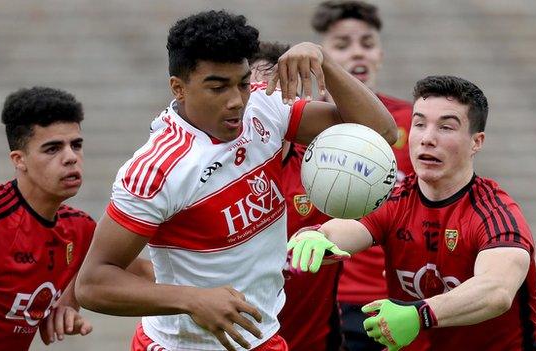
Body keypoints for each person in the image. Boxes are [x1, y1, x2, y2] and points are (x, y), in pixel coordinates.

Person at [75, 10, 397, 351]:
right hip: (182, 345)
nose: (236, 101)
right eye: (217, 87)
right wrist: (192, 300)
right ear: (178, 88)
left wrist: (326, 63)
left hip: (263, 337)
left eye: (242, 83)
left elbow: (380, 132)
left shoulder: (263, 108)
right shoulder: (157, 169)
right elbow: (94, 283)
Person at [288, 75, 536, 351]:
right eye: (419, 124)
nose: (427, 139)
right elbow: (345, 229)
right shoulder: (397, 199)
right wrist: (317, 236)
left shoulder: (496, 214)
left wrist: (419, 314)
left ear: (476, 142)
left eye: (446, 127)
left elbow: (496, 291)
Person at [0, 87, 94, 350]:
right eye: (52, 149)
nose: (71, 157)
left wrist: (66, 305)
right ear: (19, 160)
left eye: (76, 145)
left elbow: (116, 268)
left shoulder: (80, 228)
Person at [311, 2, 414, 349]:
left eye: (367, 43)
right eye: (342, 45)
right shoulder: (296, 124)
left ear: (380, 54)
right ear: (321, 59)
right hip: (320, 300)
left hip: (392, 301)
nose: (358, 52)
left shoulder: (416, 124)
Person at [250, 41, 342, 351]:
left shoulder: (327, 167)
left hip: (313, 342)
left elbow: (375, 129)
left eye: (280, 90)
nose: (264, 103)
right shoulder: (215, 168)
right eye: (253, 91)